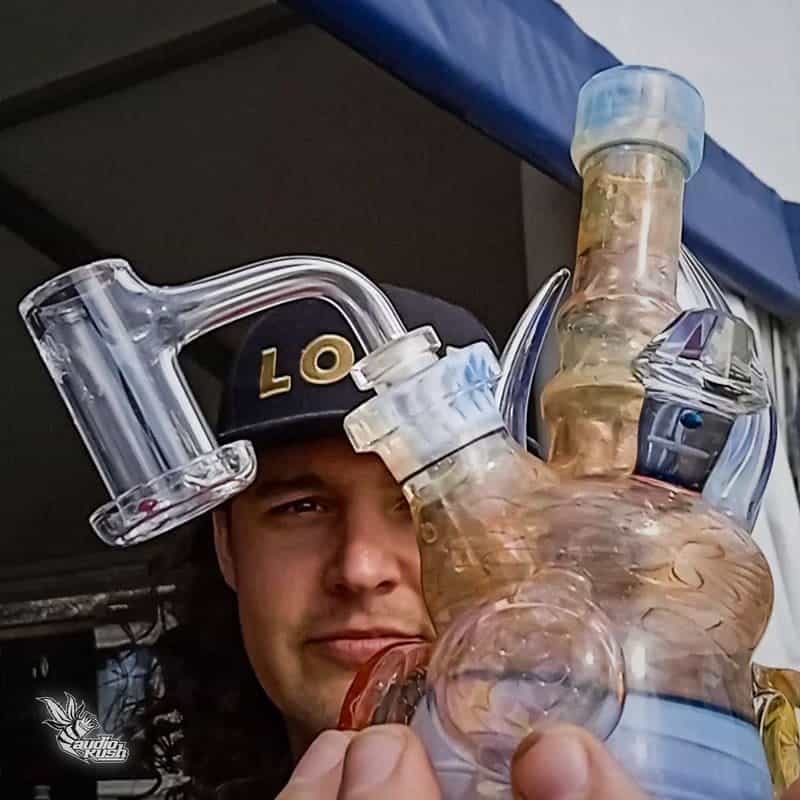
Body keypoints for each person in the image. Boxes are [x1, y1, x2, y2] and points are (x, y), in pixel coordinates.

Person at [156, 285, 799, 800]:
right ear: (227, 546)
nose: (361, 566)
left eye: (423, 507)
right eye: (302, 506)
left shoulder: (771, 743)